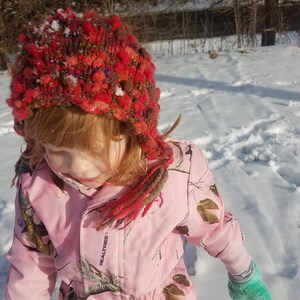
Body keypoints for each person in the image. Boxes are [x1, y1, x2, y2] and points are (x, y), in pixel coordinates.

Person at [4, 8, 272, 300]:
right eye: (57, 150)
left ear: (133, 129)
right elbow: (30, 264)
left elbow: (214, 227)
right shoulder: (40, 187)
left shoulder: (173, 177)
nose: (78, 167)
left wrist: (244, 274)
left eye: (96, 149)